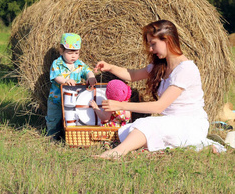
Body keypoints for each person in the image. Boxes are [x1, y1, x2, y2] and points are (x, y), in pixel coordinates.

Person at [93, 20, 225, 159]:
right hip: (172, 121)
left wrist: (120, 105)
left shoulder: (186, 69)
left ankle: (117, 153)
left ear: (167, 40)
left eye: (153, 44)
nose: (150, 49)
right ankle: (194, 147)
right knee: (133, 129)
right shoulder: (162, 66)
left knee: (146, 126)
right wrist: (110, 67)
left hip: (190, 124)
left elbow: (158, 107)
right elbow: (133, 75)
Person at [46, 33, 97, 139]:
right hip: (57, 100)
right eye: (70, 53)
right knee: (54, 119)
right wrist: (65, 80)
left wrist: (91, 76)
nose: (73, 56)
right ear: (61, 50)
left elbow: (87, 71)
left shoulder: (79, 64)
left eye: (76, 53)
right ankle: (52, 137)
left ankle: (70, 137)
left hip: (73, 100)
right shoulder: (57, 63)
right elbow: (56, 77)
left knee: (73, 119)